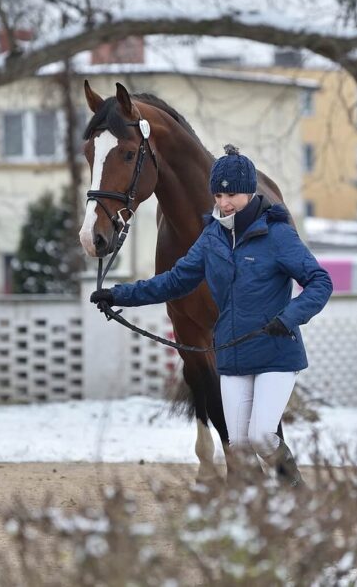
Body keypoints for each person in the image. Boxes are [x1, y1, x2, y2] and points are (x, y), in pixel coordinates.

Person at [90, 145, 332, 486]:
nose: (224, 203)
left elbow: (320, 281)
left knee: (263, 437)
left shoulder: (277, 234)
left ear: (250, 192)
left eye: (232, 194)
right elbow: (174, 281)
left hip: (276, 353)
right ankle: (256, 515)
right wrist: (119, 295)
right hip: (231, 357)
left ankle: (297, 494)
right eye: (218, 194)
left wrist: (290, 318)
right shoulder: (211, 238)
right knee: (239, 447)